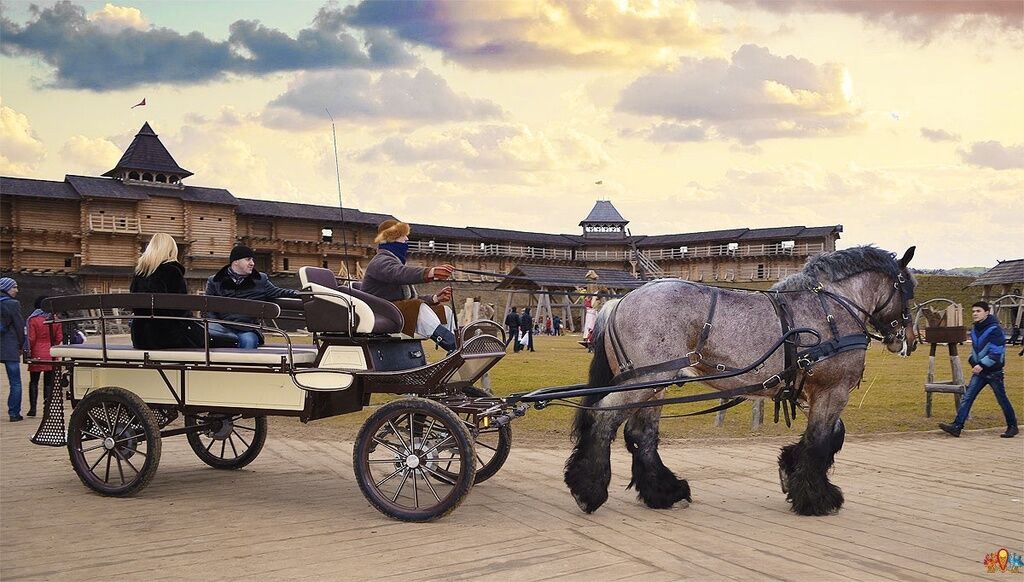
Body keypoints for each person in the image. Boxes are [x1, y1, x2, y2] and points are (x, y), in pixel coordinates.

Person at [361, 219, 457, 351]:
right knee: (416, 308)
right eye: (402, 236)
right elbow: (398, 273)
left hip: (395, 309)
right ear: (391, 239)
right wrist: (431, 272)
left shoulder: (395, 262)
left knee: (445, 311)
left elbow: (410, 299)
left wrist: (435, 298)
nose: (407, 239)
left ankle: (456, 347)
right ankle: (453, 346)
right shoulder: (380, 261)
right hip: (381, 311)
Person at [940, 301, 1018, 438]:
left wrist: (981, 364)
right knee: (968, 397)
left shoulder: (995, 329)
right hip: (980, 372)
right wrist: (972, 360)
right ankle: (957, 426)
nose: (975, 314)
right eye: (974, 311)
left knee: (1002, 399)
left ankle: (1013, 426)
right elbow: (975, 349)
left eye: (978, 311)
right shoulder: (976, 328)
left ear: (987, 313)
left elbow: (996, 352)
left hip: (994, 372)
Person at [205, 245, 299, 349]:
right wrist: (216, 326)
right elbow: (207, 308)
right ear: (236, 262)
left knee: (248, 340)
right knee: (213, 339)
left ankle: (244, 365)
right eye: (248, 259)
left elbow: (278, 292)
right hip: (222, 327)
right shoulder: (215, 281)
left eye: (252, 260)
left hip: (247, 328)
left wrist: (300, 294)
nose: (252, 263)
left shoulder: (260, 280)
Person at [130, 233, 205, 350]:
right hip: (168, 336)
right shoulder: (172, 271)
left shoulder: (140, 272)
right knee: (225, 340)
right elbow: (181, 309)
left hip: (140, 337)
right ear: (171, 250)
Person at [25, 295, 62, 417]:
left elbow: (32, 338)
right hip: (51, 353)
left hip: (37, 353)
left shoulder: (33, 319)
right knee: (48, 383)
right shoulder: (55, 319)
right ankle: (47, 408)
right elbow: (59, 338)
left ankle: (33, 409)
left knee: (34, 381)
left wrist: (28, 351)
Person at [0, 277, 25, 421]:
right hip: (9, 346)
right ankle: (14, 413)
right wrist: (21, 345)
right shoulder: (13, 304)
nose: (16, 290)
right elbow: (19, 327)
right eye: (14, 287)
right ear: (6, 288)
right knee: (15, 382)